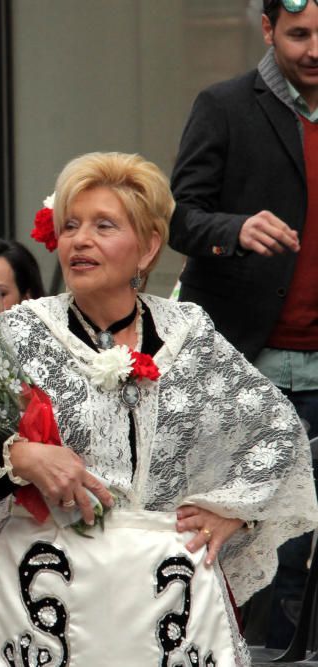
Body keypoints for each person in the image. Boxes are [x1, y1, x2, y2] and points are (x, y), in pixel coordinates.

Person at [0, 152, 318, 665]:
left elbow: (279, 434)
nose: (80, 240)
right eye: (70, 225)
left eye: (103, 225)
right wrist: (20, 459)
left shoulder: (189, 334)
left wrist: (235, 514)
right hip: (42, 593)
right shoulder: (17, 334)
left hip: (166, 596)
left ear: (149, 246)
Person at [169, 0, 318, 648]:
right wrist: (235, 228)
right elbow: (177, 217)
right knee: (260, 550)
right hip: (248, 364)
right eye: (299, 34)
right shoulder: (226, 104)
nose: (315, 48)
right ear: (266, 29)